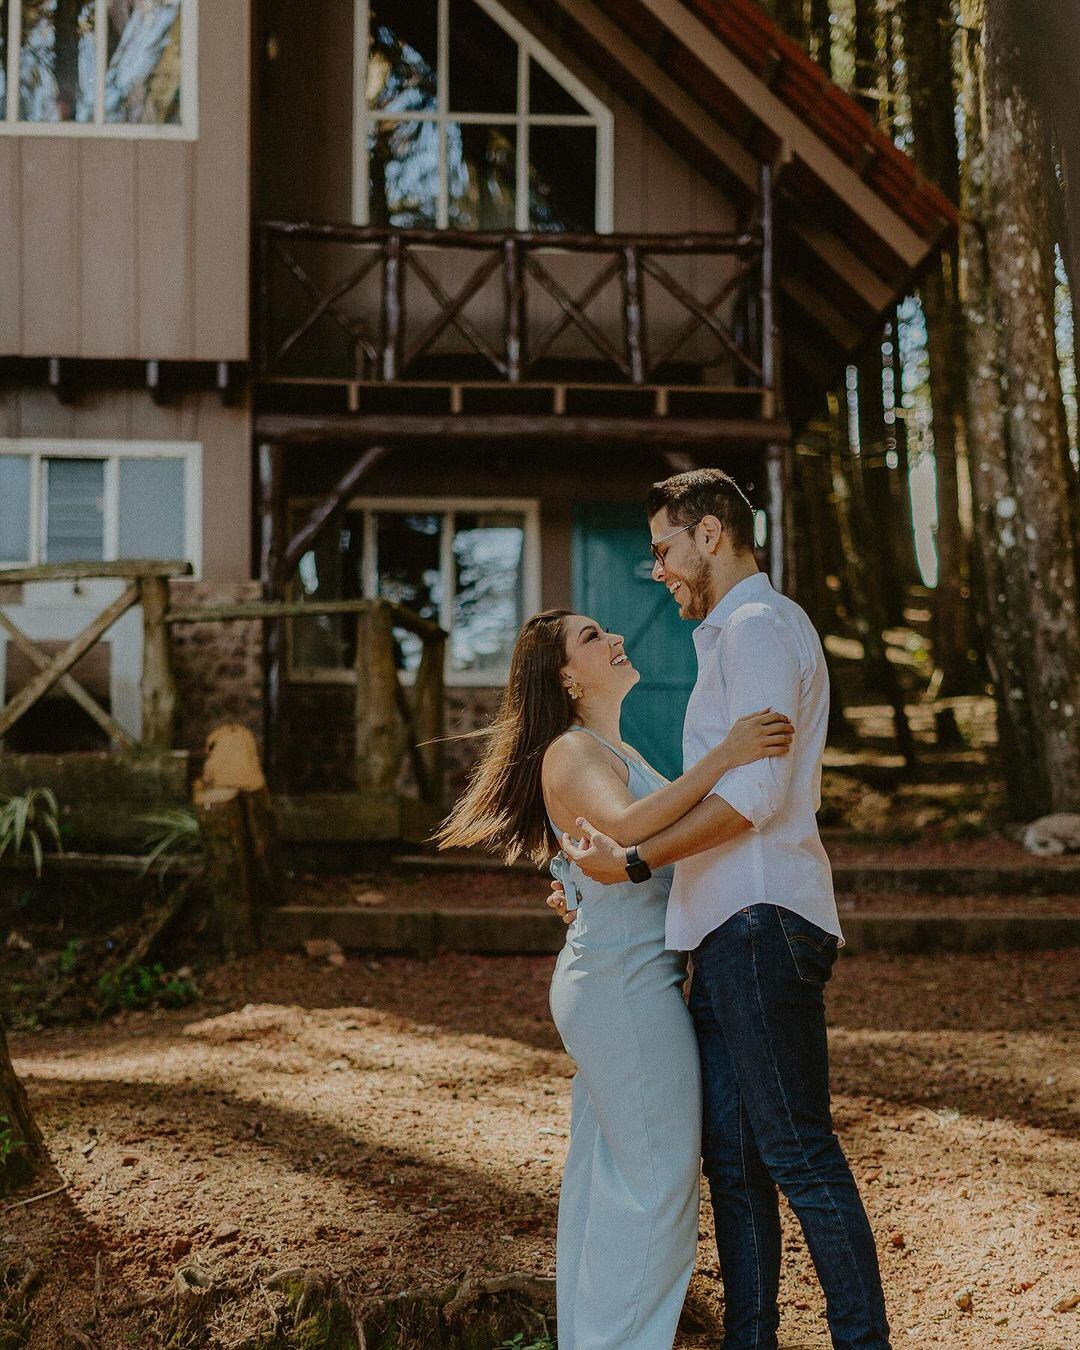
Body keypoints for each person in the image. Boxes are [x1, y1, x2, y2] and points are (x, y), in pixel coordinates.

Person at [551, 468, 892, 1350]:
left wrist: (631, 863)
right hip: (722, 930)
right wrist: (600, 884)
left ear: (710, 535)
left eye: (664, 548)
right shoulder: (731, 638)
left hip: (761, 919)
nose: (658, 569)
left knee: (796, 1151)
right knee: (736, 1167)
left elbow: (758, 795)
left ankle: (864, 1341)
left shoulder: (759, 627)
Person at [436, 607, 793, 1349]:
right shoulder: (570, 750)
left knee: (610, 1180)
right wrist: (726, 755)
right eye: (591, 638)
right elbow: (630, 831)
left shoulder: (598, 746)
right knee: (659, 1187)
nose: (614, 638)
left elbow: (613, 845)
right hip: (623, 988)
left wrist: (573, 876)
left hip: (622, 979)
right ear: (565, 675)